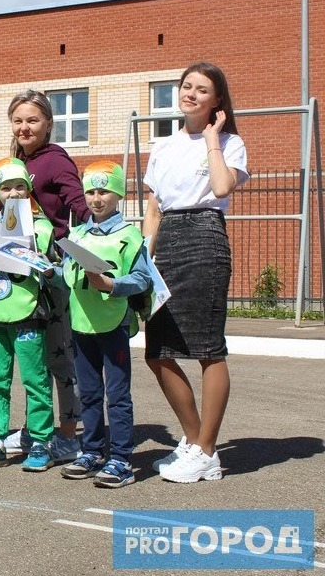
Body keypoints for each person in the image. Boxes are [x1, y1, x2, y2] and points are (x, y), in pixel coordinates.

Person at [142, 62, 248, 483]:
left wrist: (211, 140)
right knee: (157, 351)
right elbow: (153, 206)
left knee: (207, 347)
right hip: (165, 240)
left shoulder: (228, 141)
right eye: (187, 86)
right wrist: (144, 259)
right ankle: (193, 440)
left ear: (216, 100)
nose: (191, 93)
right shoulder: (162, 145)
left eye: (202, 89)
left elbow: (222, 188)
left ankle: (207, 450)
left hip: (205, 235)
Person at [47, 161, 151, 488]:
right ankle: (91, 451)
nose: (95, 198)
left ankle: (121, 459)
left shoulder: (130, 236)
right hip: (81, 325)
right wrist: (50, 272)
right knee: (89, 393)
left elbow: (143, 279)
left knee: (117, 395)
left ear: (118, 194)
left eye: (103, 190)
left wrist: (113, 285)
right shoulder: (76, 234)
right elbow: (66, 276)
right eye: (90, 191)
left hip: (113, 325)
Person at [4, 89, 90, 463]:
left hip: (49, 273)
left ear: (49, 124)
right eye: (18, 120)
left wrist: (83, 247)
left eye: (33, 120)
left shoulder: (55, 161)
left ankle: (69, 436)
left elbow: (79, 208)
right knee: (32, 360)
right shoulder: (17, 162)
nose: (25, 127)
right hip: (18, 273)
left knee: (59, 358)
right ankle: (37, 429)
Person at [0, 158, 55, 472]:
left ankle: (41, 441)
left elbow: (43, 262)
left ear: (29, 191)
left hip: (28, 312)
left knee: (35, 380)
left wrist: (37, 256)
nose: (14, 193)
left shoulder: (41, 226)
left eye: (20, 187)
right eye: (6, 188)